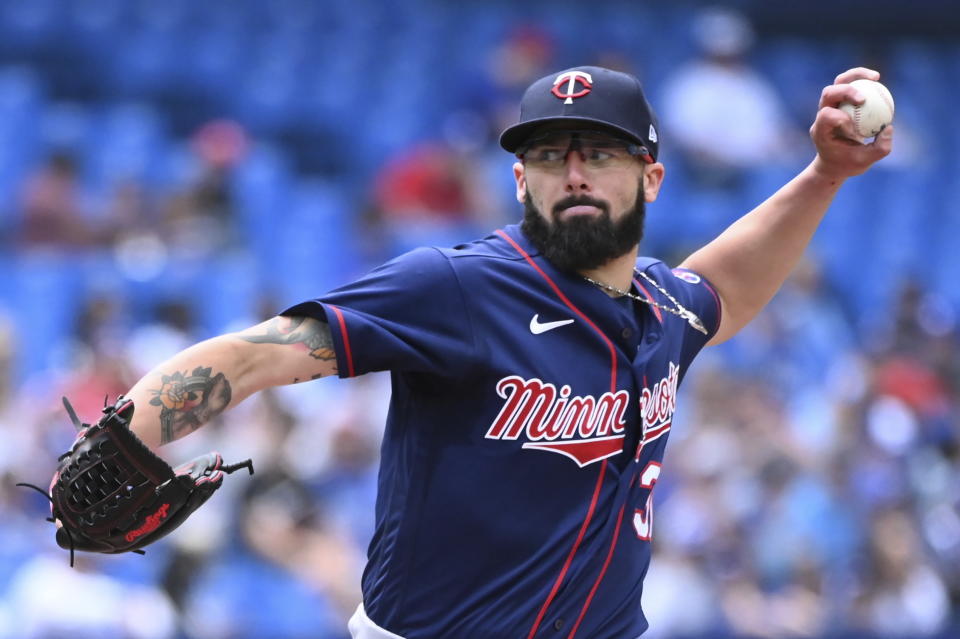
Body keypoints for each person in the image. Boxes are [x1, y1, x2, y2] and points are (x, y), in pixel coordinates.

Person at [110, 65, 890, 638]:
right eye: (551, 156)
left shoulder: (663, 306)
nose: (574, 172)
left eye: (601, 153)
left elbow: (726, 286)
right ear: (521, 179)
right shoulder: (457, 288)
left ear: (651, 177)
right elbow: (258, 353)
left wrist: (825, 175)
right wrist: (127, 435)